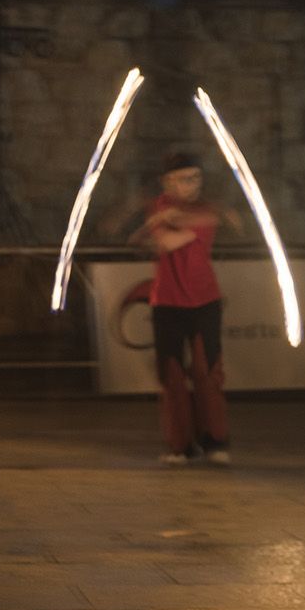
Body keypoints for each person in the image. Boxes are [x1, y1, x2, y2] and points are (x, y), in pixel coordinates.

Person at [129, 151, 241, 466]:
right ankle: (180, 445)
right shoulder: (162, 206)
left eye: (196, 178)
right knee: (172, 376)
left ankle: (215, 440)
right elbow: (166, 241)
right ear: (167, 183)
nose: (192, 185)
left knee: (208, 374)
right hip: (167, 302)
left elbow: (180, 235)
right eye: (184, 179)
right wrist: (167, 221)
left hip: (205, 301)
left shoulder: (199, 209)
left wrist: (178, 220)